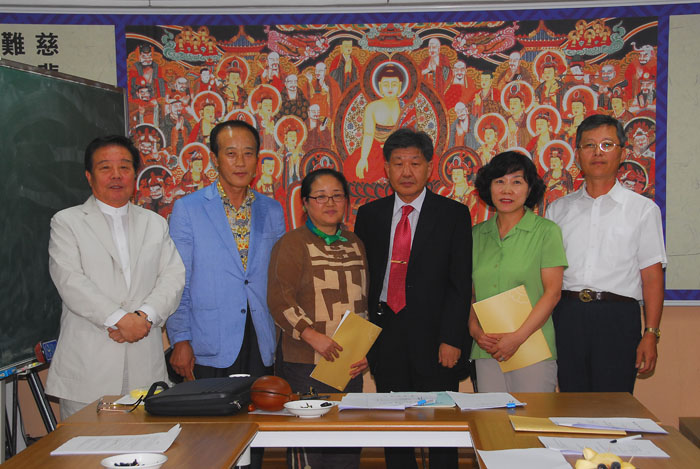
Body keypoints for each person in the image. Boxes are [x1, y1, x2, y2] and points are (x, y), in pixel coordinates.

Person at [354, 128, 472, 469]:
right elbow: (363, 281)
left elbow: (460, 283)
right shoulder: (370, 215)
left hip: (437, 340)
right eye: (398, 163)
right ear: (386, 169)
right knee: (395, 429)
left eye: (415, 163)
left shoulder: (453, 214)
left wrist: (452, 338)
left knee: (441, 430)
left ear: (429, 168)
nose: (407, 172)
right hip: (386, 336)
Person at [46, 135, 185, 419]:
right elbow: (70, 281)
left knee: (147, 443)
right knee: (86, 447)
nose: (116, 175)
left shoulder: (155, 223)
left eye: (124, 167)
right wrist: (121, 320)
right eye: (105, 168)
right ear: (89, 176)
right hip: (88, 368)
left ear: (135, 174)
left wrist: (144, 317)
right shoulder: (67, 222)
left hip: (145, 364)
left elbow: (173, 277)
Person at [546, 114, 666, 393]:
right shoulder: (558, 210)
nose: (597, 153)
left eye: (607, 145)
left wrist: (651, 333)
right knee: (572, 404)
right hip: (567, 316)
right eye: (589, 145)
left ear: (622, 153)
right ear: (578, 155)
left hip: (617, 317)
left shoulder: (643, 210)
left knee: (614, 406)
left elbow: (652, 278)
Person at [167, 120, 285, 379]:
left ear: (257, 159)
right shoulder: (188, 209)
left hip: (260, 337)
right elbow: (177, 280)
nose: (240, 162)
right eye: (231, 153)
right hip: (209, 340)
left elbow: (279, 279)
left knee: (258, 406)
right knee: (212, 407)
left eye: (248, 153)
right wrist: (181, 338)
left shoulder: (272, 210)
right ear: (215, 159)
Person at [268, 168, 368, 469]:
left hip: (347, 365)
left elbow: (364, 301)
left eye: (337, 196)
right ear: (305, 203)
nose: (330, 203)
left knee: (346, 445)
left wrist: (365, 351)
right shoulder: (292, 243)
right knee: (310, 446)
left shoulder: (355, 242)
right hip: (304, 362)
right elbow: (279, 299)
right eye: (320, 197)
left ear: (347, 201)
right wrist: (313, 336)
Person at [468, 151, 567, 392]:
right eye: (499, 181)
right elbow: (470, 294)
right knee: (490, 416)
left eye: (516, 182)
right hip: (487, 348)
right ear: (489, 187)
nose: (507, 190)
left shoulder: (546, 232)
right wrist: (475, 330)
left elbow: (552, 293)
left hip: (532, 347)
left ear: (529, 188)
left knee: (532, 415)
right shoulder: (476, 235)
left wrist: (517, 338)